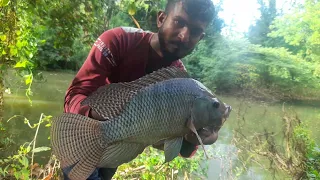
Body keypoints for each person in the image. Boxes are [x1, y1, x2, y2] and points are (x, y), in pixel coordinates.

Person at [63, 0, 218, 179]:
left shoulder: (181, 81)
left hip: (118, 149)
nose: (184, 35)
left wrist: (194, 138)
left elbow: (171, 144)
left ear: (201, 38)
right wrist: (102, 119)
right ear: (161, 18)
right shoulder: (118, 40)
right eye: (179, 22)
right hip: (81, 139)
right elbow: (75, 94)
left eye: (195, 31)